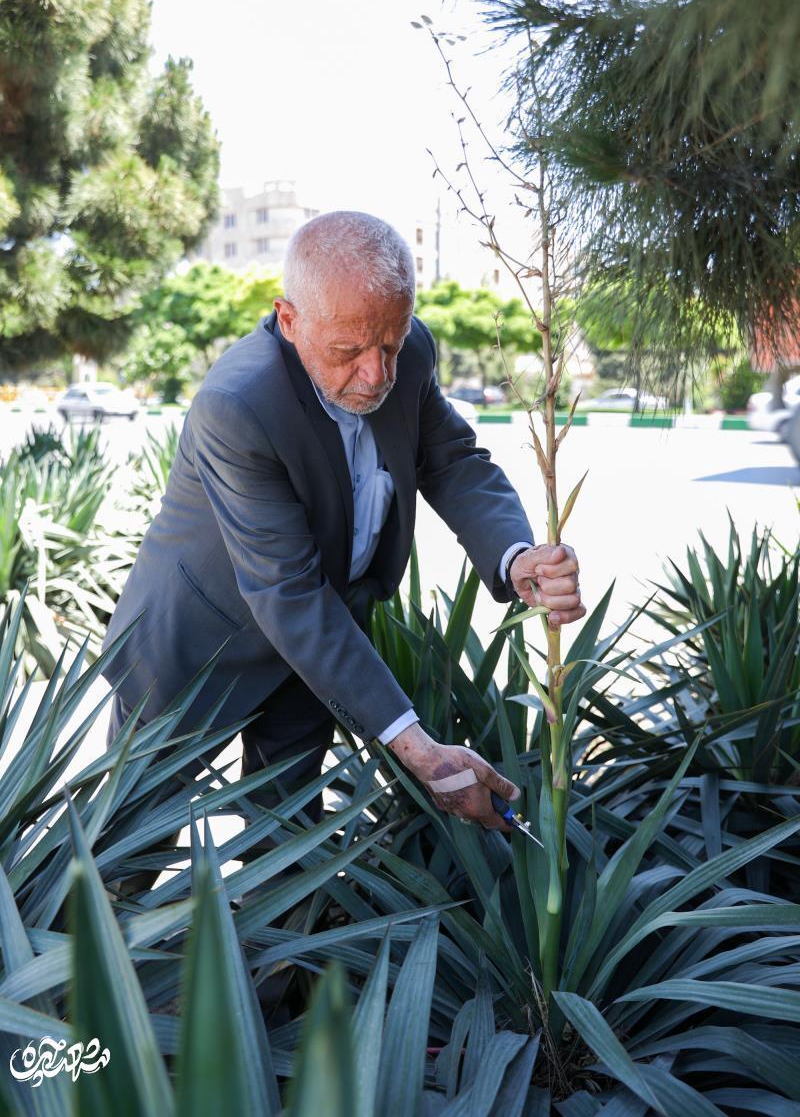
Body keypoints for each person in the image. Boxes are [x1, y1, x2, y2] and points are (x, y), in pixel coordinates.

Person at [100, 210, 585, 884]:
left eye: (389, 341)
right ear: (290, 319)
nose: (375, 373)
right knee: (126, 849)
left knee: (288, 843)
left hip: (316, 658)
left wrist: (516, 556)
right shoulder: (236, 406)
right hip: (193, 652)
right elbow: (286, 592)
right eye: (349, 351)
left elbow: (450, 461)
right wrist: (420, 751)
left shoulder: (406, 353)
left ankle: (277, 986)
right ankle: (76, 985)